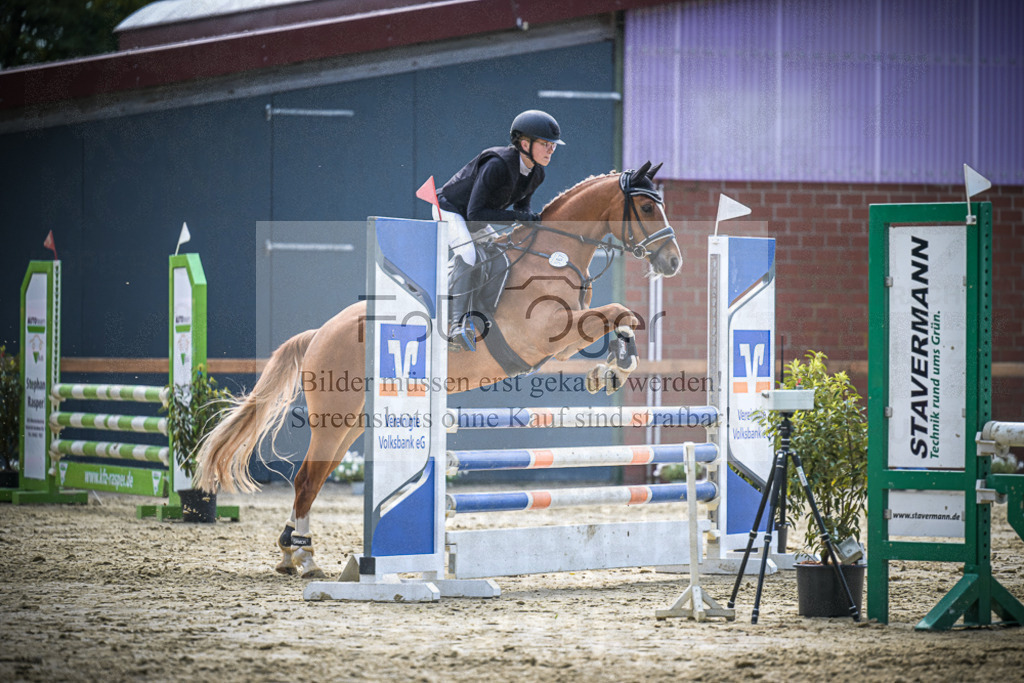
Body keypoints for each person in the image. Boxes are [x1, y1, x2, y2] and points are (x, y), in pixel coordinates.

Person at [434, 109, 565, 352]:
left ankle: (483, 312)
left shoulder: (537, 172)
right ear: (525, 143)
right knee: (470, 255)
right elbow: (475, 214)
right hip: (450, 209)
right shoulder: (497, 164)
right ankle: (454, 327)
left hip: (474, 216)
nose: (551, 150)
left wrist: (530, 224)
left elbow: (522, 206)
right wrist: (519, 218)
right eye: (546, 144)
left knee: (502, 254)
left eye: (553, 145)